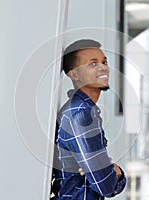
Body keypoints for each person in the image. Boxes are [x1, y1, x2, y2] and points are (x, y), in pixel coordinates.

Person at [51, 39, 126, 199]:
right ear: (74, 74)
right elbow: (105, 185)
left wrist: (108, 170)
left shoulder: (85, 111)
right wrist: (116, 172)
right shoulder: (80, 114)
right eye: (93, 64)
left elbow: (102, 176)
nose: (103, 67)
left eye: (104, 61)